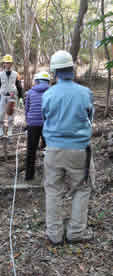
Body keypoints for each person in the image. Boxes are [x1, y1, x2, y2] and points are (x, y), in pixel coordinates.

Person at [42, 50, 94, 245]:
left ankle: (54, 234)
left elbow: (45, 118)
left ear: (54, 72)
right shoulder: (85, 92)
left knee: (53, 190)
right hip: (79, 151)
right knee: (81, 189)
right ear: (72, 69)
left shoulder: (48, 94)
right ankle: (76, 232)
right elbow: (90, 119)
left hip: (53, 150)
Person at [25, 71, 50, 183]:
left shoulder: (30, 92)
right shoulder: (52, 92)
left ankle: (29, 176)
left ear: (37, 81)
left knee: (31, 150)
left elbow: (27, 109)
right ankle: (50, 176)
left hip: (33, 124)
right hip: (47, 124)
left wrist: (29, 120)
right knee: (50, 150)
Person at [0, 54, 23, 138]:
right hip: (3, 96)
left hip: (12, 97)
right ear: (3, 64)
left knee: (11, 115)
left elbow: (19, 86)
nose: (7, 64)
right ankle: (0, 131)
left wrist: (21, 98)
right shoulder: (0, 75)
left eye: (9, 63)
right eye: (6, 63)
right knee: (0, 115)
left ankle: (10, 132)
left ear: (11, 64)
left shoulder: (16, 74)